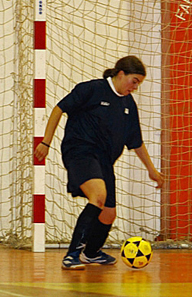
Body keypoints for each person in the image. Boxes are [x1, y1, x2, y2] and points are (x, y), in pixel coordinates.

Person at [34, 55, 164, 270]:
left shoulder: (128, 104)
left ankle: (91, 253)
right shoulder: (91, 89)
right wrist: (45, 142)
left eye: (139, 83)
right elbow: (59, 109)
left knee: (108, 213)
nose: (135, 87)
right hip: (80, 151)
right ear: (120, 74)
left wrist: (152, 170)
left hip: (104, 160)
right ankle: (72, 255)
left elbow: (136, 141)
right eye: (134, 81)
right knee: (99, 195)